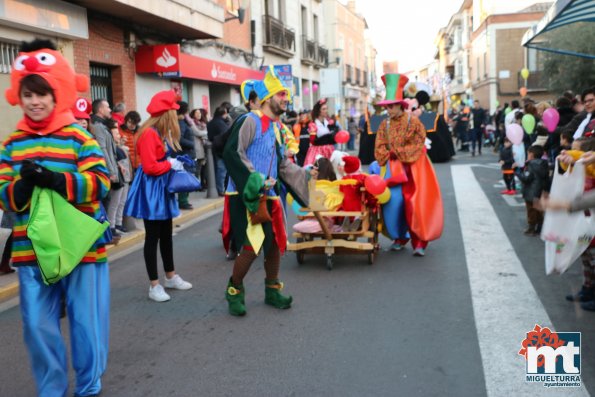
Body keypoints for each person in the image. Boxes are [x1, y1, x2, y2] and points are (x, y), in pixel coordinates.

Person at [0, 38, 111, 396]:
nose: (35, 102)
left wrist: (55, 181)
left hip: (80, 249)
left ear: (56, 92)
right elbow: (1, 190)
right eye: (28, 94)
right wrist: (18, 190)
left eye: (42, 93)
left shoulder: (80, 137)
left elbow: (100, 183)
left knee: (86, 324)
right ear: (19, 94)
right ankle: (51, 390)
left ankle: (89, 387)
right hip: (31, 251)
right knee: (36, 325)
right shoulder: (11, 144)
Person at [222, 66, 312, 316]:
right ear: (267, 98)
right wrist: (254, 179)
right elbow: (232, 152)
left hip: (269, 195)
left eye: (286, 95)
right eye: (281, 94)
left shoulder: (277, 128)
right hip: (246, 195)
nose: (286, 99)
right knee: (251, 246)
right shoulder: (249, 120)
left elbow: (282, 164)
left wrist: (305, 173)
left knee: (274, 244)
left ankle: (272, 289)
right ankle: (234, 290)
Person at [124, 90, 193, 302]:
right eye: (173, 112)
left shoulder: (155, 132)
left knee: (166, 234)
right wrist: (170, 163)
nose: (177, 116)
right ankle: (154, 285)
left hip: (159, 188)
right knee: (153, 237)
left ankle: (170, 276)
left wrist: (172, 162)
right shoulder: (149, 134)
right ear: (166, 114)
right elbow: (151, 167)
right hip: (151, 190)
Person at [374, 73, 443, 256]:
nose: (388, 110)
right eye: (387, 107)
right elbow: (379, 145)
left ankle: (419, 242)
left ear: (400, 105)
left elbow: (420, 141)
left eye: (391, 106)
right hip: (395, 170)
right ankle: (399, 238)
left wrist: (400, 153)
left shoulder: (413, 121)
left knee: (416, 204)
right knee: (395, 203)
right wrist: (386, 154)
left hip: (416, 168)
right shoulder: (384, 125)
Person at [515, 145, 549, 236]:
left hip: (531, 192)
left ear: (531, 154)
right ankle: (540, 228)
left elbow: (526, 178)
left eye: (528, 153)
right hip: (541, 191)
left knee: (531, 210)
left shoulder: (530, 165)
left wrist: (517, 172)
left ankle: (531, 228)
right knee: (539, 210)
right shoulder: (544, 164)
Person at [175, 101, 197, 210]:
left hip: (186, 154)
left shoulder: (183, 121)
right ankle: (183, 201)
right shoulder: (181, 123)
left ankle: (184, 200)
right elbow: (180, 139)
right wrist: (192, 144)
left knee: (187, 177)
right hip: (185, 154)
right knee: (185, 178)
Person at [303, 98, 336, 166]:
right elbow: (312, 141)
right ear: (318, 111)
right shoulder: (313, 124)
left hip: (329, 149)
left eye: (326, 108)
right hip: (318, 151)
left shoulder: (329, 122)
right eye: (323, 109)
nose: (326, 111)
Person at [207, 105, 230, 196]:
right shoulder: (220, 123)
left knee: (217, 169)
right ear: (224, 113)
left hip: (213, 148)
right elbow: (225, 135)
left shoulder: (211, 122)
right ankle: (221, 189)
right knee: (222, 170)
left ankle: (219, 188)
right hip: (221, 149)